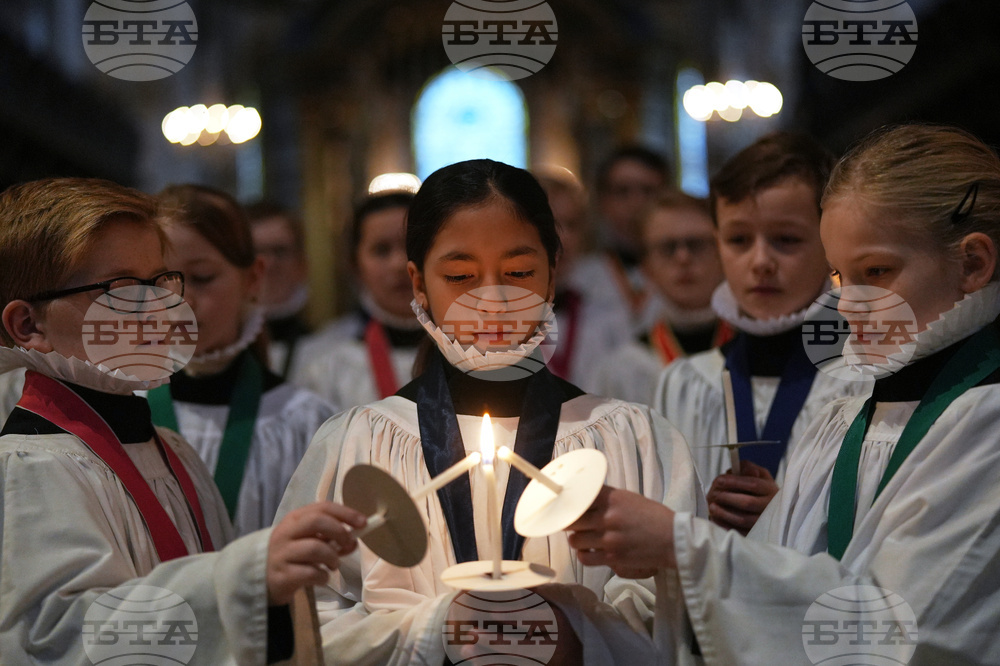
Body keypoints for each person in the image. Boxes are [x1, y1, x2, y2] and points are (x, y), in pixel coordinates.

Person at [569, 124, 1000, 664]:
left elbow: (903, 631)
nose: (845, 305)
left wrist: (680, 544)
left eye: (878, 272)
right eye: (842, 276)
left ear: (974, 264)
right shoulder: (844, 421)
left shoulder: (986, 420)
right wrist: (579, 618)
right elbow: (762, 574)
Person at [276, 159, 706, 665]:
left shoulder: (631, 438)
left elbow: (681, 610)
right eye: (460, 275)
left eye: (519, 272)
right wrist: (437, 630)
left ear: (552, 275)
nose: (492, 300)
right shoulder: (356, 444)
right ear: (419, 285)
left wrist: (572, 630)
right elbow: (306, 617)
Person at [0, 177, 365, 664]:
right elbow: (55, 639)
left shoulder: (171, 449)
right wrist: (247, 576)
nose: (163, 308)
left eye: (160, 282)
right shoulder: (29, 465)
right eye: (123, 290)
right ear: (29, 325)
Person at [654, 132, 869, 534]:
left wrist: (788, 520)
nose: (760, 262)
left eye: (786, 240)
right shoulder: (685, 383)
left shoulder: (863, 380)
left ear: (829, 244)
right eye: (738, 239)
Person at [148, 184, 336, 536]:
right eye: (161, 282)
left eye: (202, 278)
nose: (179, 301)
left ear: (252, 278)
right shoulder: (122, 413)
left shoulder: (304, 422)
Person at [595, 192, 730, 404]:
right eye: (668, 247)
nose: (683, 258)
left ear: (723, 253)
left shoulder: (755, 356)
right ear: (646, 266)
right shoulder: (623, 369)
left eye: (696, 244)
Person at [293, 191, 424, 408]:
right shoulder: (326, 366)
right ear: (354, 265)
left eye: (412, 247)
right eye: (381, 250)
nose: (399, 264)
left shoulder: (473, 354)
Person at [534, 165, 632, 393]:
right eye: (549, 224)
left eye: (571, 225)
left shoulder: (606, 303)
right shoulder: (497, 310)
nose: (562, 239)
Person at [246, 201, 312, 379]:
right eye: (257, 252)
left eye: (280, 251)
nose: (268, 264)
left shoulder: (332, 350)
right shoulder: (216, 353)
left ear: (302, 263)